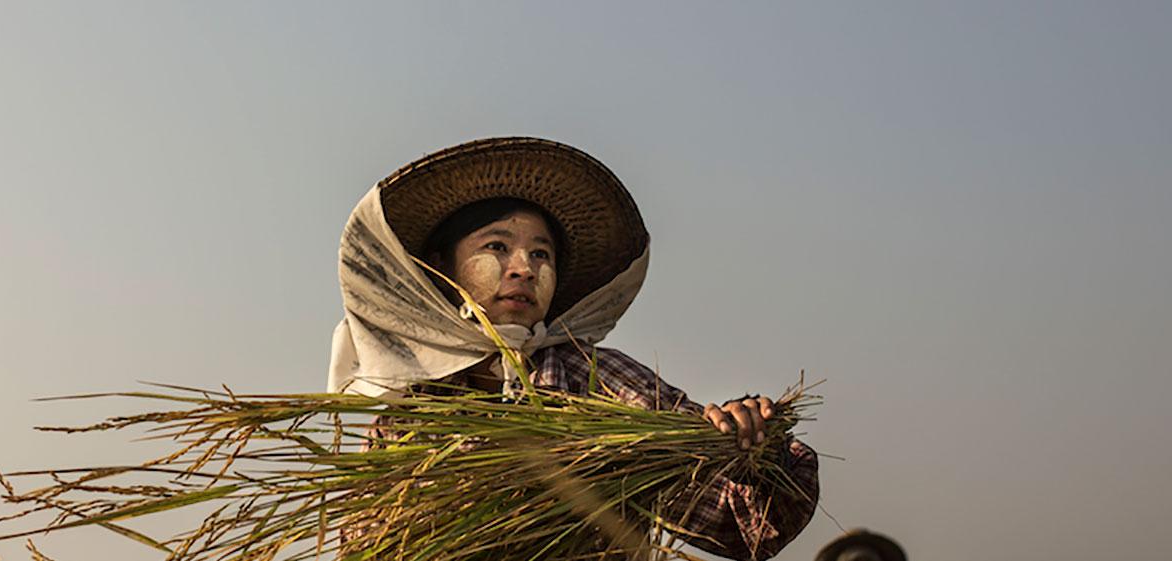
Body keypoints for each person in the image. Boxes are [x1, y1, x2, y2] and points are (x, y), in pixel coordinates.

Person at [330, 137, 819, 560]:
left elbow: (736, 522)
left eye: (540, 254)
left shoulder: (597, 383)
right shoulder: (407, 420)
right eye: (497, 247)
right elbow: (364, 543)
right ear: (442, 267)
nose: (524, 268)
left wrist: (748, 448)